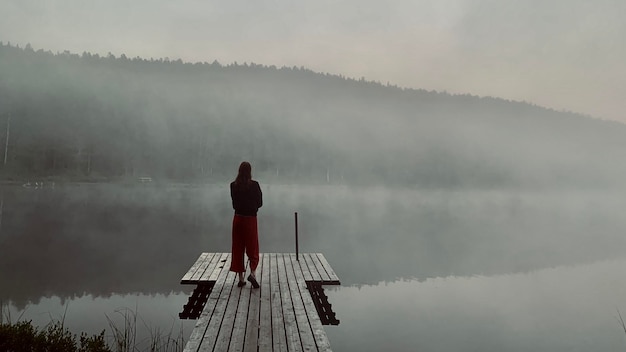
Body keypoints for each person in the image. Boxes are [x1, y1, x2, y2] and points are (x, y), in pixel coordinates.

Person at [229, 161, 263, 288]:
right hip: (250, 219)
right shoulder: (255, 185)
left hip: (237, 219)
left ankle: (241, 278)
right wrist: (252, 207)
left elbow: (234, 204)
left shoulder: (233, 185)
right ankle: (252, 273)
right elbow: (260, 203)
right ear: (250, 172)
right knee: (252, 247)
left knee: (237, 247)